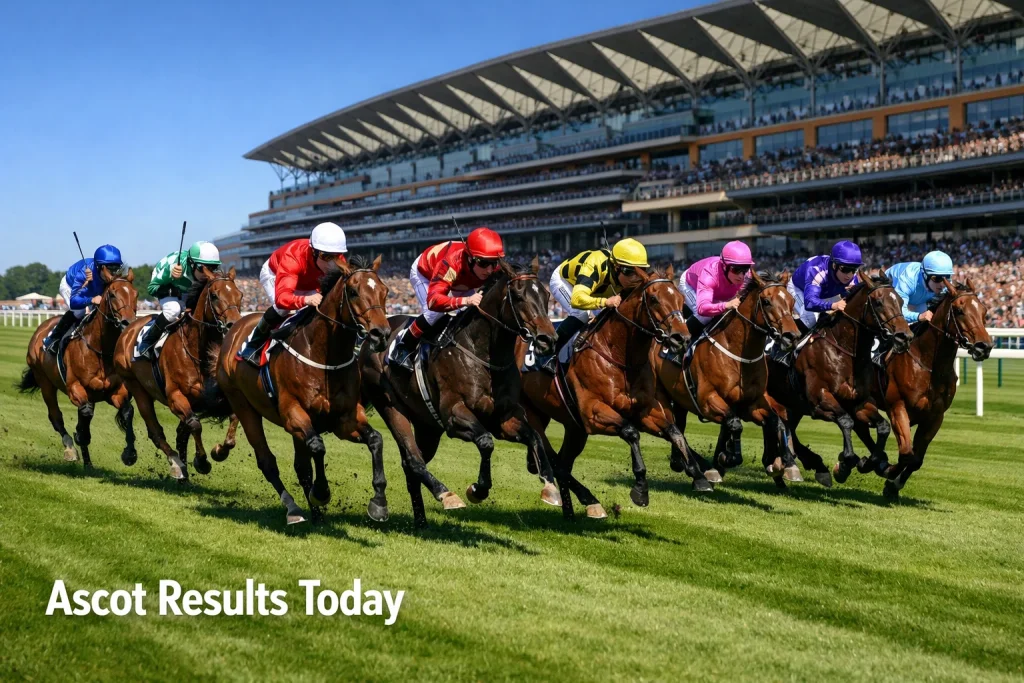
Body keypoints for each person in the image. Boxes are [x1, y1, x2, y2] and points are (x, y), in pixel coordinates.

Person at [388, 227, 505, 371]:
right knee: (434, 314)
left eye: (494, 262)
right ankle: (403, 347)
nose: (489, 270)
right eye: (483, 263)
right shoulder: (451, 264)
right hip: (425, 273)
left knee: (473, 311)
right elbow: (433, 301)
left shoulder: (492, 268)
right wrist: (465, 300)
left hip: (462, 280)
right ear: (470, 258)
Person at [237, 222, 348, 365]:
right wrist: (306, 300)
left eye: (336, 256)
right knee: (282, 309)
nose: (332, 263)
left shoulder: (338, 261)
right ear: (314, 252)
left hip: (310, 283)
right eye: (326, 256)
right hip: (275, 274)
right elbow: (282, 299)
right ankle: (253, 345)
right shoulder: (293, 257)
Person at [539, 238, 648, 370]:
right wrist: (605, 302)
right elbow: (577, 299)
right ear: (616, 267)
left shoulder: (625, 277)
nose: (635, 278)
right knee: (581, 314)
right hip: (567, 282)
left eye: (641, 271)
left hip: (596, 289)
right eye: (629, 271)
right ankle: (549, 354)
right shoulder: (594, 265)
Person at [137, 241, 222, 359]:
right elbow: (152, 289)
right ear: (191, 264)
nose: (207, 272)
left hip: (188, 288)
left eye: (213, 268)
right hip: (167, 286)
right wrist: (171, 277)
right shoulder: (172, 266)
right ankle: (148, 340)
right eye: (202, 268)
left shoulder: (202, 274)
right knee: (174, 310)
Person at [44, 245, 124, 354]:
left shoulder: (109, 276)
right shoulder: (84, 273)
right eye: (111, 268)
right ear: (101, 267)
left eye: (117, 267)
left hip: (92, 289)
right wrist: (91, 299)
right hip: (70, 286)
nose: (114, 273)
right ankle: (53, 338)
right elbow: (74, 302)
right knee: (79, 311)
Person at [679, 241, 754, 338]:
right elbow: (702, 309)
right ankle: (678, 339)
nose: (741, 276)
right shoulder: (709, 276)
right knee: (705, 317)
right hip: (690, 285)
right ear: (724, 266)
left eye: (745, 269)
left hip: (714, 293)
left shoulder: (748, 275)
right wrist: (726, 305)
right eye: (736, 270)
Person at [789, 240, 862, 333]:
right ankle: (788, 338)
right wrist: (833, 305)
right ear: (834, 265)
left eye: (854, 270)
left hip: (825, 292)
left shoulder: (852, 278)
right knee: (810, 320)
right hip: (800, 290)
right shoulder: (817, 271)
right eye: (845, 269)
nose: (849, 275)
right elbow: (810, 303)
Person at [886, 250, 955, 325]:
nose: (942, 284)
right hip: (891, 290)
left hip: (920, 299)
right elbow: (898, 313)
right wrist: (918, 316)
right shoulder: (906, 282)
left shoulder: (945, 284)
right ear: (925, 275)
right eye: (937, 278)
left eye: (947, 277)